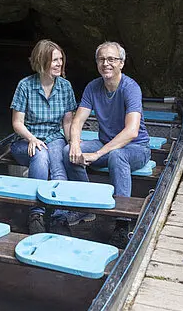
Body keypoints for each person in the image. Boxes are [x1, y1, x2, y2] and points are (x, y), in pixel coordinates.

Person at [63, 41, 151, 248]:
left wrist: (97, 154)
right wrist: (74, 143)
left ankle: (122, 223)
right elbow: (77, 121)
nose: (106, 63)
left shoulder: (131, 88)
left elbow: (131, 131)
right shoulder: (93, 87)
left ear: (121, 63)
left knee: (117, 155)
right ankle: (85, 206)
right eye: (102, 59)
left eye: (111, 59)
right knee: (68, 151)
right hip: (105, 144)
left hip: (137, 148)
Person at [10, 39, 83, 234]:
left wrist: (73, 144)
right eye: (54, 60)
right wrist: (32, 138)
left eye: (60, 59)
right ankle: (36, 213)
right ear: (41, 61)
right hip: (26, 140)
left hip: (54, 138)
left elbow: (67, 122)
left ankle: (60, 215)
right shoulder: (25, 86)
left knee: (58, 162)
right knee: (41, 156)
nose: (59, 63)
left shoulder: (65, 86)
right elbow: (17, 123)